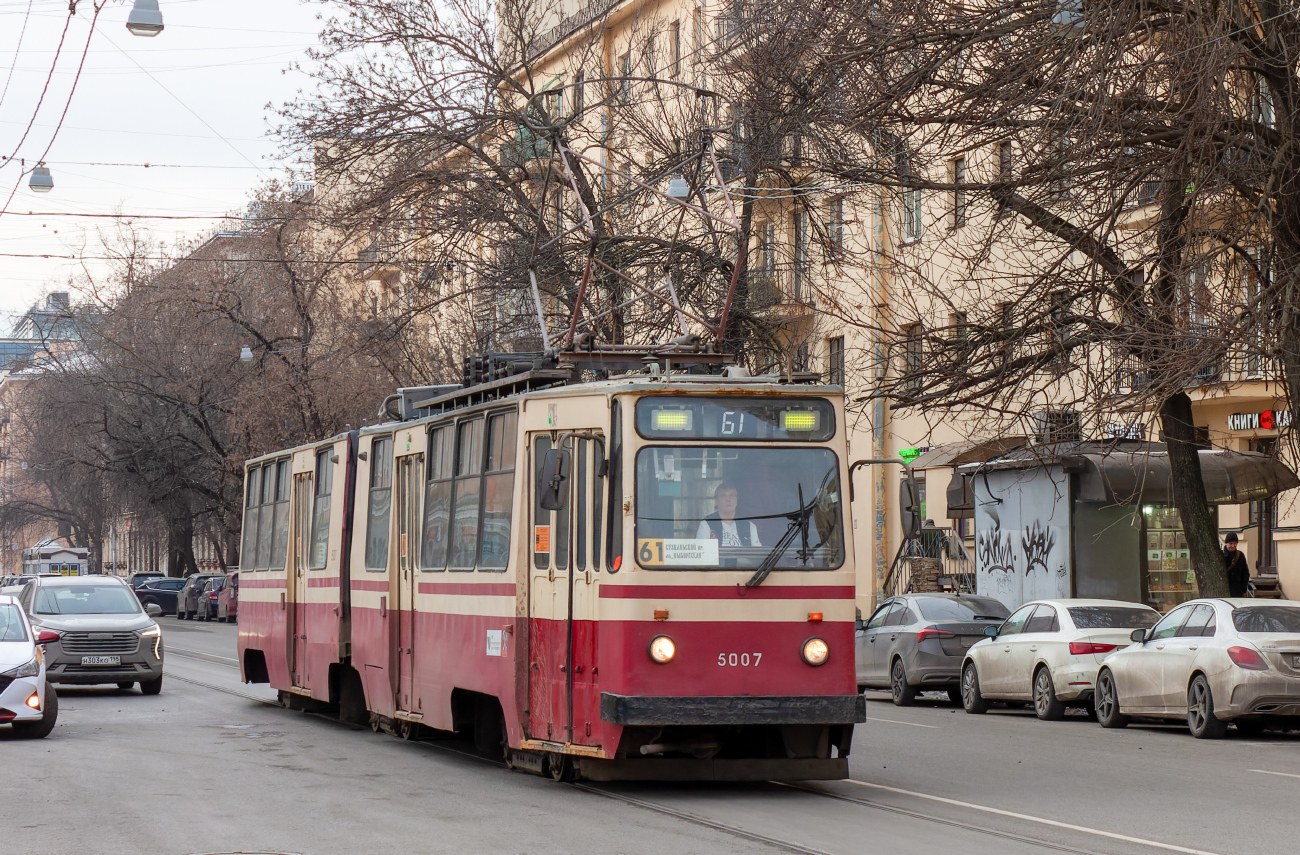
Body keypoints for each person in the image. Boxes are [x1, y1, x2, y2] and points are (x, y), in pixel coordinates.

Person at [696, 482, 762, 548]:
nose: (728, 499)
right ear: (716, 501)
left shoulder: (749, 526)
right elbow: (702, 554)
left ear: (736, 500)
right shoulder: (706, 524)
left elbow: (757, 554)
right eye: (723, 496)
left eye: (732, 495)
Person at [1224, 532, 1250, 597]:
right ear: (1226, 543)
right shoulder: (1221, 556)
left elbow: (1246, 573)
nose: (1233, 546)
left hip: (1238, 591)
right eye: (1230, 543)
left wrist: (1243, 589)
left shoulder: (1240, 556)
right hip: (1226, 590)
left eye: (1235, 543)